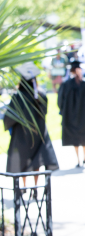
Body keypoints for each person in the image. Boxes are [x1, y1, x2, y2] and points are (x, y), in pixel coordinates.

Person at [4, 62, 59, 195]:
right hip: (38, 133)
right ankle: (35, 187)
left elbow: (9, 117)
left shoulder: (18, 96)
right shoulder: (40, 95)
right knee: (37, 161)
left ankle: (23, 186)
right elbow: (44, 113)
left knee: (23, 160)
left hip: (21, 135)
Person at [58, 61, 85, 167]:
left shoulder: (66, 85)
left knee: (75, 136)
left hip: (70, 115)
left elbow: (60, 101)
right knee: (83, 135)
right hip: (84, 114)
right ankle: (84, 157)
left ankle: (79, 159)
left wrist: (64, 111)